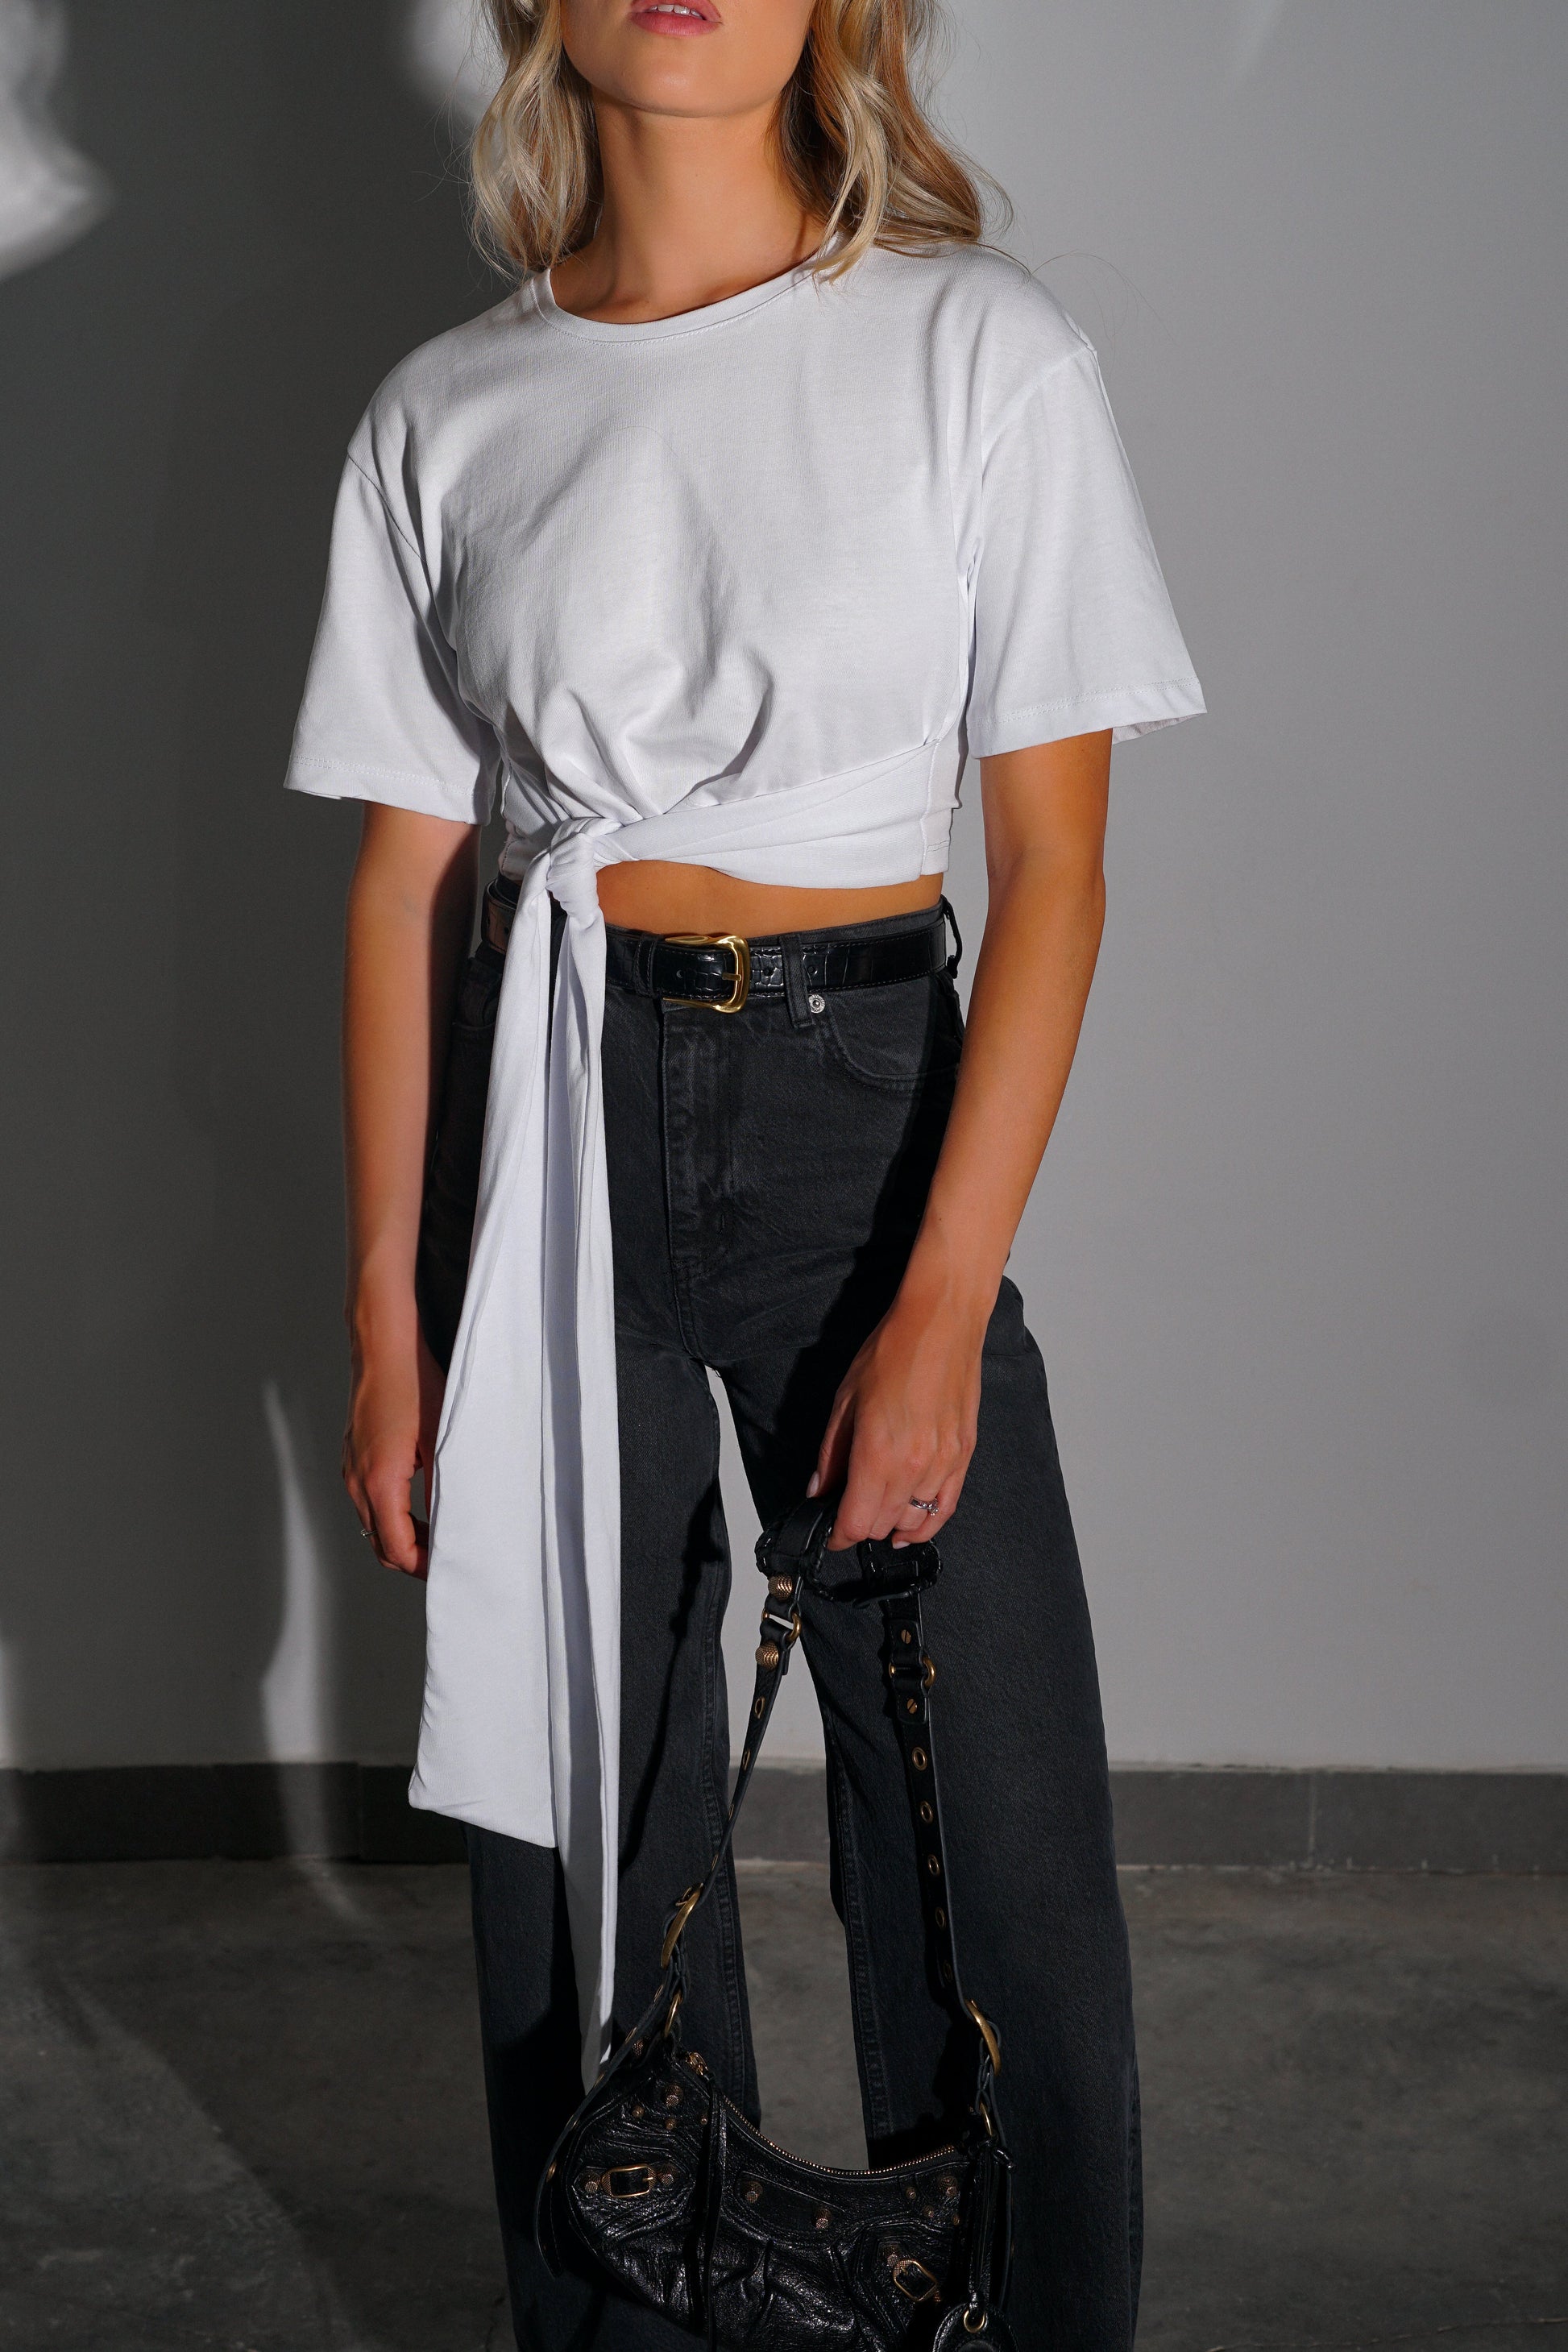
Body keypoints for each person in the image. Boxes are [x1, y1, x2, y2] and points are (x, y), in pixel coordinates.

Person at [285, 1, 1203, 2342]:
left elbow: (1056, 869)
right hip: (544, 1103)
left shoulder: (978, 350)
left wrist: (938, 1300)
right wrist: (390, 1317)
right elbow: (403, 888)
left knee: (988, 1822)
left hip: (859, 1104)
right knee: (577, 1814)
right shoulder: (445, 408)